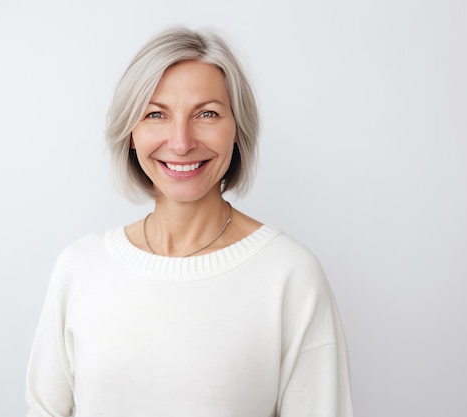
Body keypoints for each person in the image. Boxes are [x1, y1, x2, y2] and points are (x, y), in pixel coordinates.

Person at [26, 27, 353, 417]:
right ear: (131, 133)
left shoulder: (289, 275)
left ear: (237, 130)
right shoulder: (79, 268)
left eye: (207, 114)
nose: (181, 142)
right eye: (156, 114)